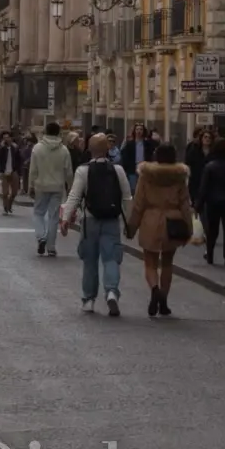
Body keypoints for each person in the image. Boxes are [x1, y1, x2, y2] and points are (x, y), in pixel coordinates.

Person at [60, 133, 128, 317]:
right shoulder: (118, 170)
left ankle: (89, 299)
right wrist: (131, 224)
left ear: (89, 149)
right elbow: (127, 198)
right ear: (107, 148)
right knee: (111, 258)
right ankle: (112, 291)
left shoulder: (83, 170)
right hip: (112, 220)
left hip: (90, 221)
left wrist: (66, 219)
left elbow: (74, 196)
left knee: (89, 261)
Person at [134, 142, 195, 318]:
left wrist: (131, 226)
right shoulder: (179, 177)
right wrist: (189, 227)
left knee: (150, 262)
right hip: (173, 220)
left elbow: (139, 203)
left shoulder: (146, 176)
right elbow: (185, 203)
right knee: (168, 262)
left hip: (150, 219)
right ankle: (164, 301)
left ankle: (154, 290)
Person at [27, 122, 74, 258]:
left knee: (38, 213)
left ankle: (41, 236)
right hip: (58, 186)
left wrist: (30, 185)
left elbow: (33, 170)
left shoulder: (37, 148)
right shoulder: (64, 150)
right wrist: (70, 185)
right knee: (53, 217)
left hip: (41, 185)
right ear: (59, 132)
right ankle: (51, 247)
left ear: (45, 131)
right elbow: (69, 171)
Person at [195, 139, 225, 266]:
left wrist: (198, 204)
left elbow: (204, 187)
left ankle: (210, 255)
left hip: (213, 202)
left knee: (212, 230)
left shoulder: (210, 166)